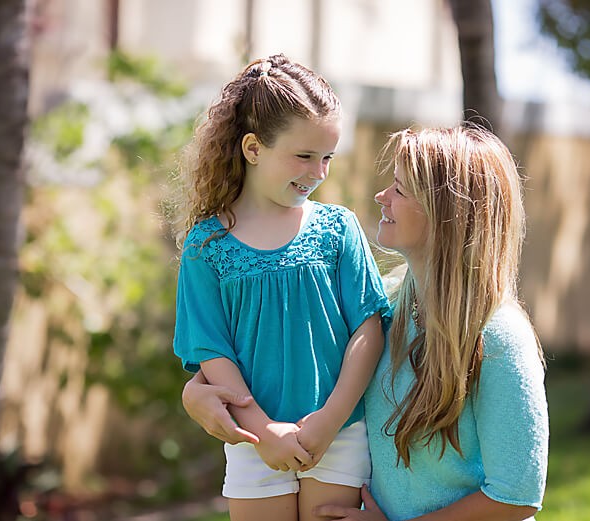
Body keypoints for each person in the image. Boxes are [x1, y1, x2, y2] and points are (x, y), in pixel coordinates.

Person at [182, 124, 549, 521]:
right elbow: (289, 346)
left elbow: (517, 496)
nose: (381, 196)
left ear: (447, 215)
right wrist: (195, 393)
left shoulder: (498, 336)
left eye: (400, 189)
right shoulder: (389, 305)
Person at [172, 53, 391, 521]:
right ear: (253, 149)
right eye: (304, 156)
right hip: (254, 442)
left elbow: (368, 329)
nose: (319, 173)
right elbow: (213, 351)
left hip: (340, 432)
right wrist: (264, 430)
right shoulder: (206, 246)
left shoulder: (338, 228)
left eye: (328, 157)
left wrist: (329, 421)